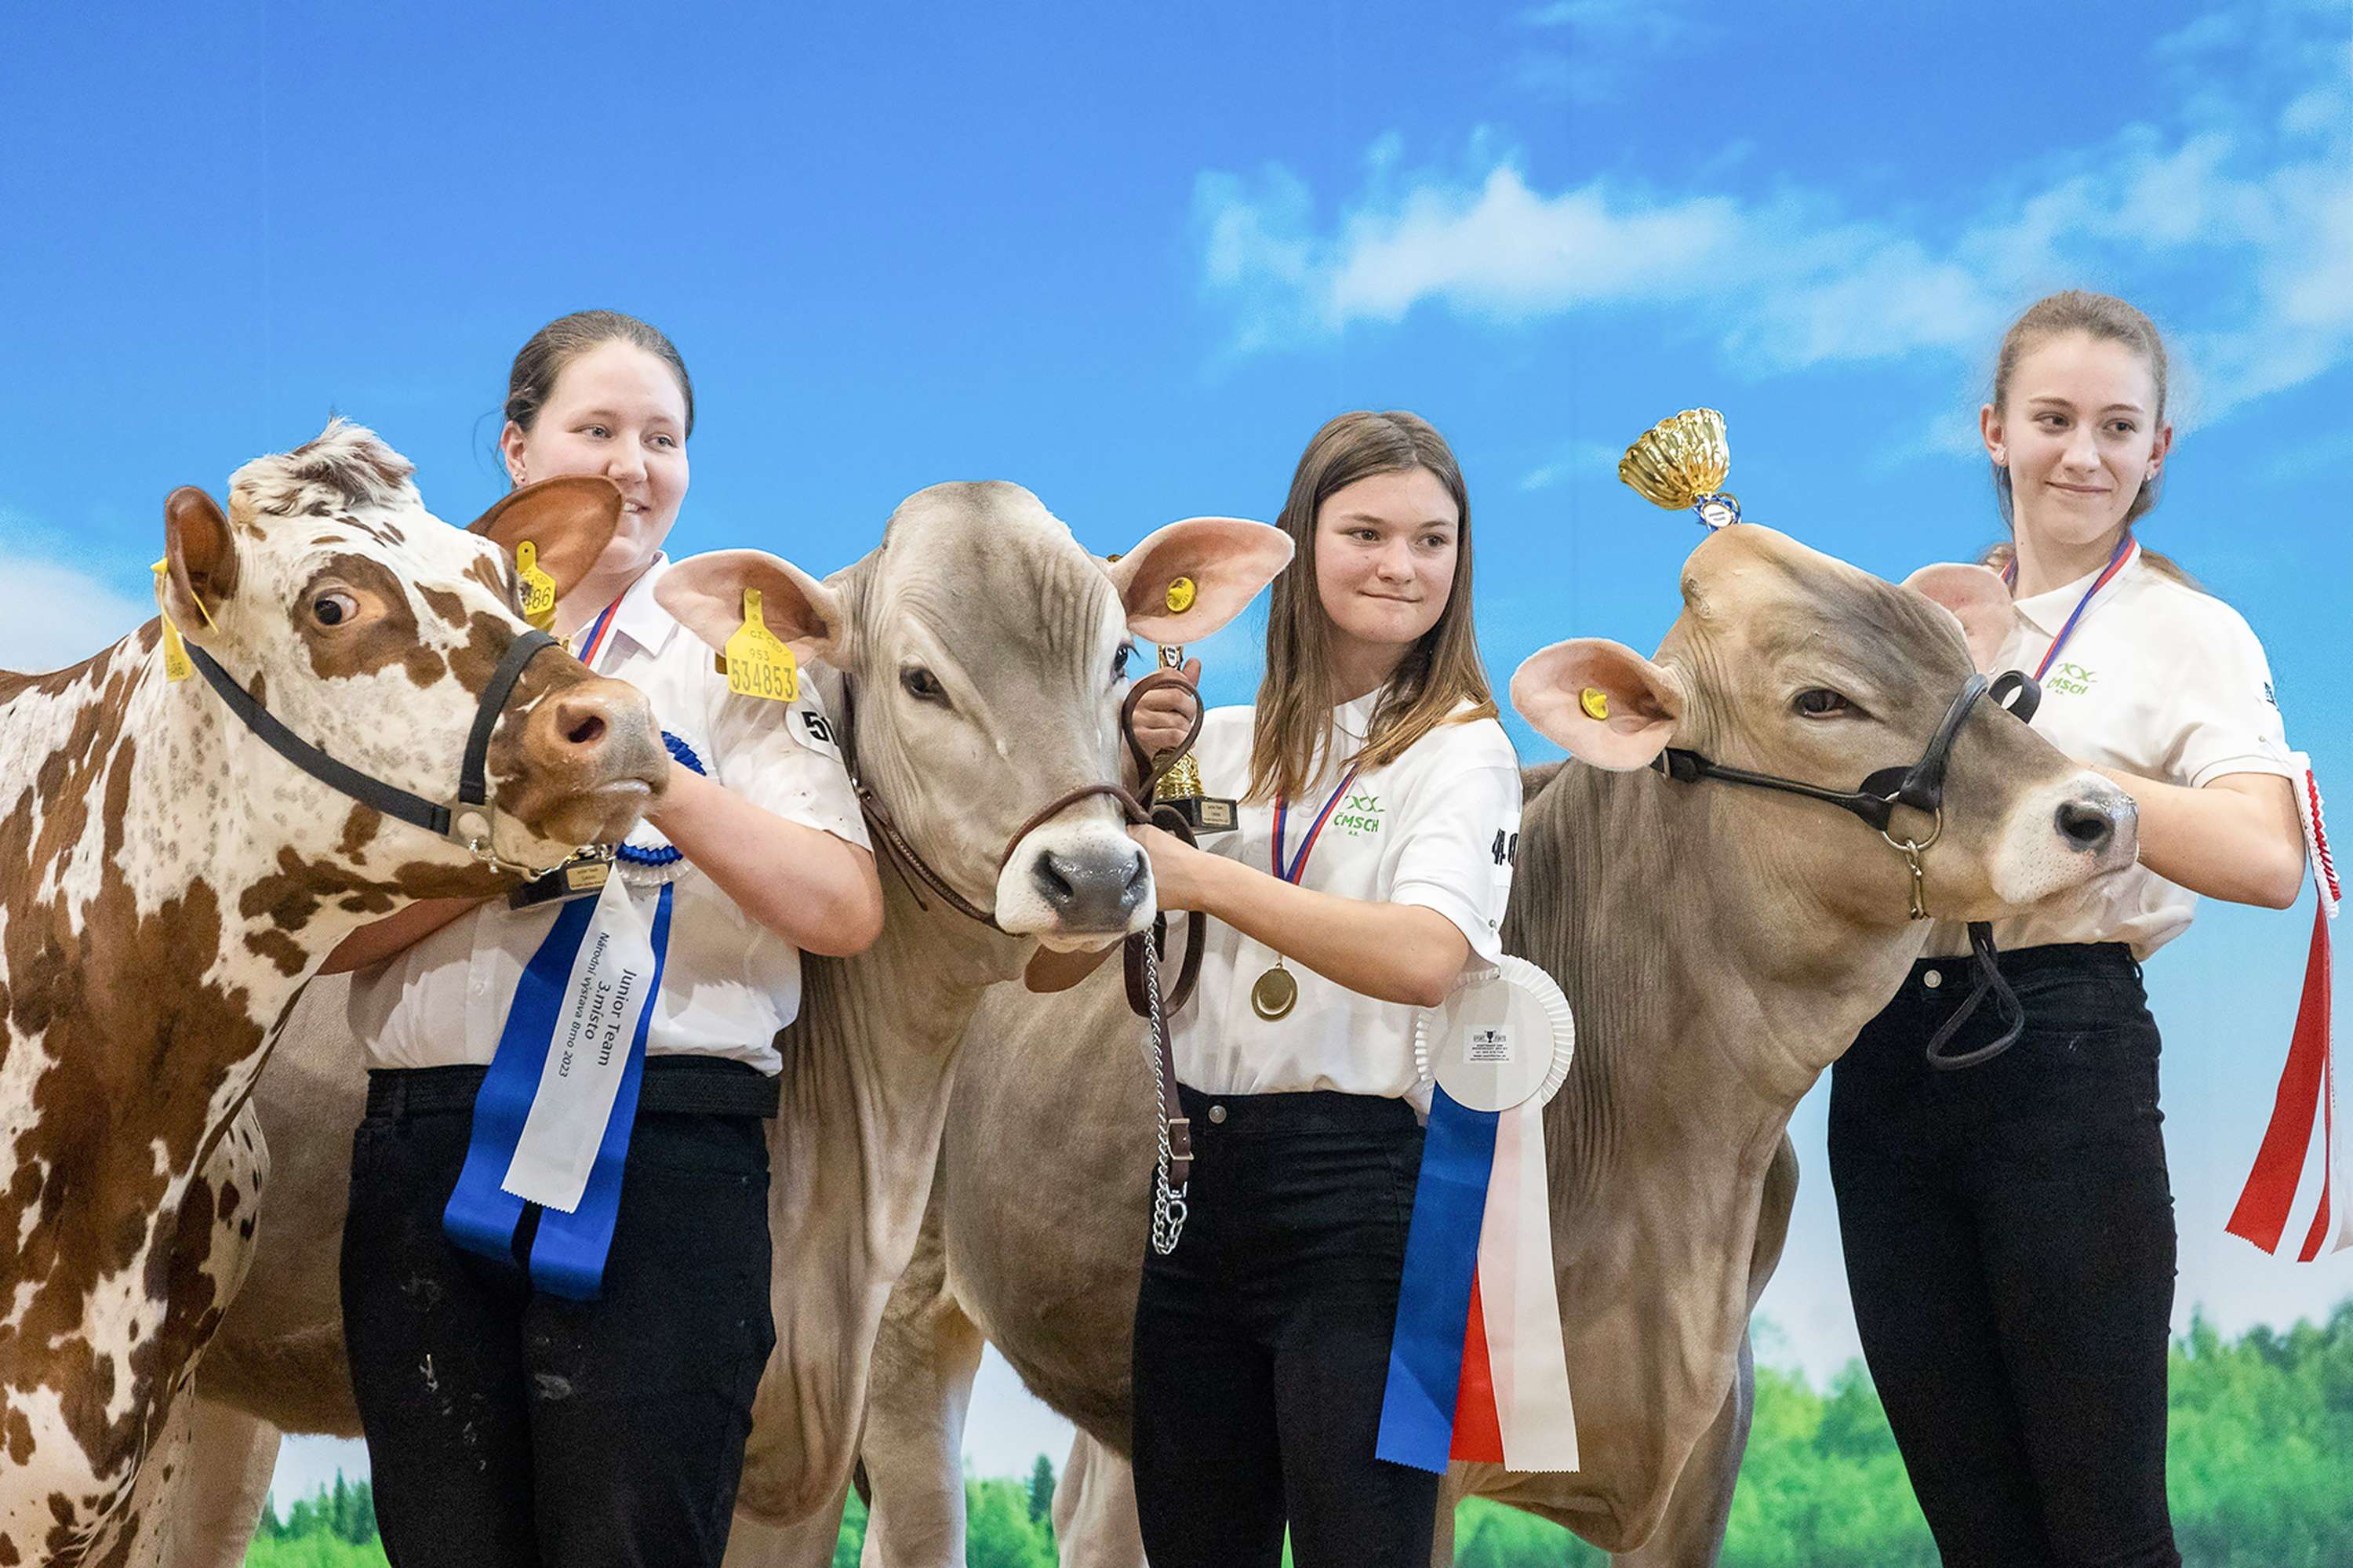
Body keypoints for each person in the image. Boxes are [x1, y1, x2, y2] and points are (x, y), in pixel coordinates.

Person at [324, 309, 885, 1568]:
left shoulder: (739, 657)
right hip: (428, 1153)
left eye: (662, 438)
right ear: (517, 449)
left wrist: (659, 782)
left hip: (669, 1155)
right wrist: (520, 834)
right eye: (596, 431)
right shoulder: (411, 651)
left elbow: (844, 908)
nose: (633, 466)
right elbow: (334, 937)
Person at [1829, 290, 2307, 1568]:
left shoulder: (2190, 633)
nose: (2081, 455)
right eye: (2051, 420)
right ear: (1995, 431)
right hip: (1885, 1061)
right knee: (1977, 1534)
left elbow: (2268, 858)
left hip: (2063, 1053)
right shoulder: (1916, 626)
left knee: (2104, 1533)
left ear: (2157, 451)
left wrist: (2048, 774)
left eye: (2116, 427)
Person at [1060, 409, 1522, 1567]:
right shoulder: (1207, 742)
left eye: (1431, 541)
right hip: (1191, 1187)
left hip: (1367, 1197)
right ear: (1299, 542)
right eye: (1366, 533)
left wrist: (1203, 880)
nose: (1400, 566)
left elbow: (1425, 957)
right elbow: (1050, 961)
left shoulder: (1462, 749)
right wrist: (1122, 785)